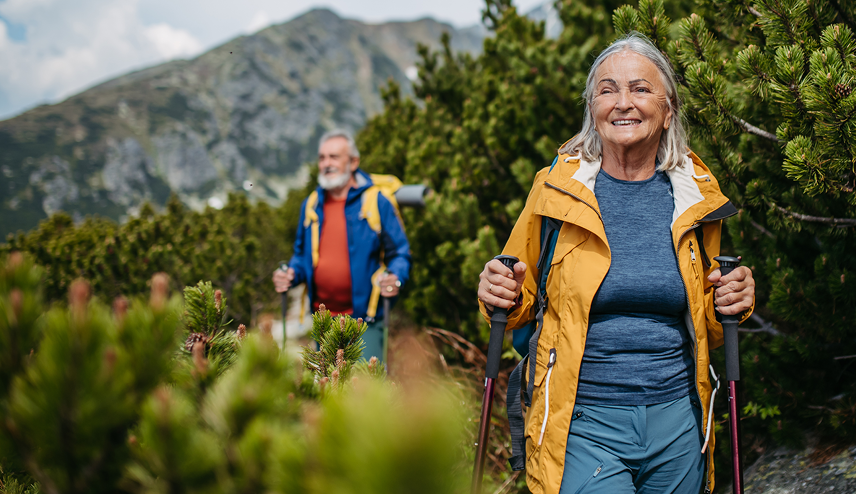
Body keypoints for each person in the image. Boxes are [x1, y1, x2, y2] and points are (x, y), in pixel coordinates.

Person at [478, 33, 756, 494]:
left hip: (679, 422)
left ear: (668, 112)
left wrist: (734, 298)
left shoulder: (695, 197)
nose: (623, 102)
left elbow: (706, 317)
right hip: (583, 419)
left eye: (641, 89)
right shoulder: (555, 192)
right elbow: (516, 301)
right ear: (592, 109)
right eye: (607, 90)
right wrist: (497, 291)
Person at [274, 129, 411, 361]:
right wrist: (290, 273)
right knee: (326, 390)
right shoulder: (312, 204)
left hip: (365, 321)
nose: (326, 163)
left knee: (365, 391)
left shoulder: (376, 201)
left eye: (334, 157)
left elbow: (400, 253)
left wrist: (395, 277)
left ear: (354, 162)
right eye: (322, 157)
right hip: (322, 321)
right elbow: (300, 255)